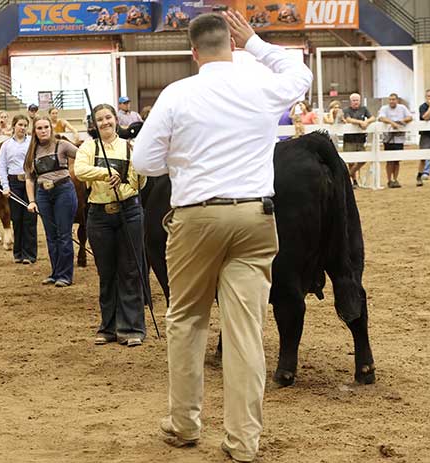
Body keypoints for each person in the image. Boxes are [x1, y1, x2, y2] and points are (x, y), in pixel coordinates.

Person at [133, 11, 312, 462]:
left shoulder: (177, 94)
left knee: (188, 321)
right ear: (231, 46)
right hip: (255, 218)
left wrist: (183, 159)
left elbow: (144, 163)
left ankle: (185, 423)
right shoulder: (260, 85)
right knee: (246, 331)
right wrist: (257, 42)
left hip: (196, 219)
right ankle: (243, 441)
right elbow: (299, 74)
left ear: (193, 52)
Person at [75, 103, 147, 347]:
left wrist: (123, 186)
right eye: (100, 119)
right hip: (99, 214)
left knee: (130, 270)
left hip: (128, 211)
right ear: (94, 125)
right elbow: (80, 170)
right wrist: (105, 172)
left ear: (116, 120)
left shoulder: (129, 147)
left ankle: (132, 327)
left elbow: (138, 182)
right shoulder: (89, 146)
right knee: (106, 272)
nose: (105, 122)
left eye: (108, 118)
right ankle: (109, 327)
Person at [24, 116, 78, 287]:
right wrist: (31, 201)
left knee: (64, 234)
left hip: (63, 191)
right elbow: (29, 179)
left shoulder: (62, 145)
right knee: (51, 236)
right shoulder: (32, 151)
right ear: (35, 131)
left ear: (51, 128)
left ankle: (65, 275)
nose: (43, 130)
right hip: (43, 195)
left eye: (46, 127)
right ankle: (55, 273)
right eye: (39, 128)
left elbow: (84, 156)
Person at [0, 114, 37, 263]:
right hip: (14, 182)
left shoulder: (32, 144)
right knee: (17, 218)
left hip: (29, 181)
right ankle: (18, 253)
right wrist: (5, 186)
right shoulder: (6, 145)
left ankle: (30, 254)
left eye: (25, 125)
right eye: (20, 124)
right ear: (13, 126)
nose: (23, 128)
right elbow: (1, 167)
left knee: (30, 218)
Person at [378, 93, 412, 188]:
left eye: (393, 99)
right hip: (388, 138)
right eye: (390, 99)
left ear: (397, 100)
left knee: (397, 160)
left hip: (399, 139)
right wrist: (392, 123)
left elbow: (410, 117)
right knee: (389, 160)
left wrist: (402, 121)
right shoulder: (384, 108)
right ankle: (389, 179)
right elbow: (381, 117)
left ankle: (395, 179)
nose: (392, 101)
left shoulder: (402, 108)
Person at [343, 93, 376, 188]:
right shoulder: (346, 110)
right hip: (349, 139)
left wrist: (366, 122)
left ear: (360, 100)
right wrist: (361, 122)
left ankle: (347, 175)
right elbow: (348, 119)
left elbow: (372, 117)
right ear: (350, 101)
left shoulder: (364, 109)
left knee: (363, 159)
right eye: (353, 100)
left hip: (360, 139)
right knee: (351, 161)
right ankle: (353, 181)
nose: (355, 102)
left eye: (357, 100)